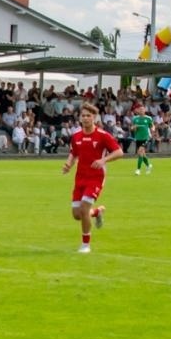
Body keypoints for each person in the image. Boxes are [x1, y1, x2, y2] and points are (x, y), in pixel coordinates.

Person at [61, 102, 121, 254]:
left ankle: (85, 244)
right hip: (80, 177)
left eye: (89, 116)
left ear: (94, 117)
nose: (86, 118)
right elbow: (74, 153)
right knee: (76, 214)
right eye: (83, 116)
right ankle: (97, 212)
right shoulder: (76, 136)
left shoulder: (103, 136)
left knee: (83, 208)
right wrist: (68, 164)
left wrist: (103, 160)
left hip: (96, 178)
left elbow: (119, 152)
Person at [131, 101, 155, 175]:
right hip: (138, 138)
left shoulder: (148, 118)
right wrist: (134, 127)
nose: (141, 110)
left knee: (140, 152)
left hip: (146, 137)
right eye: (140, 109)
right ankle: (148, 166)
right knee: (142, 154)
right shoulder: (135, 119)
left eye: (143, 109)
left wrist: (153, 129)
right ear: (138, 110)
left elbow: (152, 126)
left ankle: (138, 170)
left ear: (145, 110)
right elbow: (132, 128)